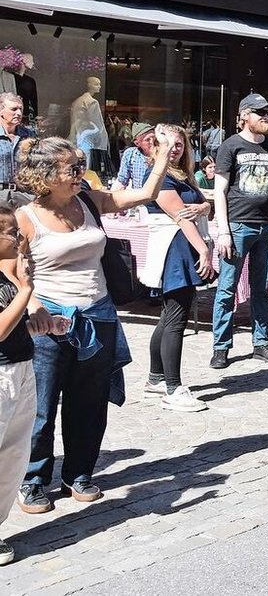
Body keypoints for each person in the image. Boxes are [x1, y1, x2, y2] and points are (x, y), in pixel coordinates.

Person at [16, 131, 173, 513]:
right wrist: (34, 305)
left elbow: (147, 194)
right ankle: (33, 479)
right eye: (73, 168)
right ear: (46, 174)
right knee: (41, 405)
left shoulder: (88, 200)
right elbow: (15, 272)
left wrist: (164, 155)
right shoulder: (25, 217)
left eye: (81, 166)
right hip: (48, 321)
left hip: (97, 314)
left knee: (88, 402)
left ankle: (78, 473)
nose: (80, 174)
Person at [210, 94, 268, 370]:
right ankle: (221, 346)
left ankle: (261, 343)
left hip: (267, 228)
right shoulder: (230, 146)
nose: (266, 117)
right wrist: (223, 230)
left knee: (262, 289)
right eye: (260, 113)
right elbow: (219, 190)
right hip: (238, 226)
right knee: (227, 288)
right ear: (244, 115)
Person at [140, 127, 215, 413]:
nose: (176, 148)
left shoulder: (183, 175)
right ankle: (173, 387)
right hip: (175, 247)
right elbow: (181, 216)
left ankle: (156, 379)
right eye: (169, 143)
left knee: (169, 314)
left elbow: (201, 207)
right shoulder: (160, 178)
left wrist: (203, 207)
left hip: (184, 245)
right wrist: (204, 250)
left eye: (180, 143)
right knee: (176, 318)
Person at [0, 205, 51, 563]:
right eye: (8, 231)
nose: (18, 237)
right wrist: (27, 287)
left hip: (22, 368)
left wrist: (38, 322)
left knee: (14, 456)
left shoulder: (8, 275)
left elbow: (13, 324)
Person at [0, 93, 36, 210]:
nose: (19, 113)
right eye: (14, 109)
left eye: (21, 109)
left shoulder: (28, 135)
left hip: (24, 194)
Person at [112, 122, 155, 191]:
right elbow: (122, 181)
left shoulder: (163, 154)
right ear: (137, 143)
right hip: (140, 198)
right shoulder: (131, 154)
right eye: (148, 140)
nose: (152, 142)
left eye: (154, 138)